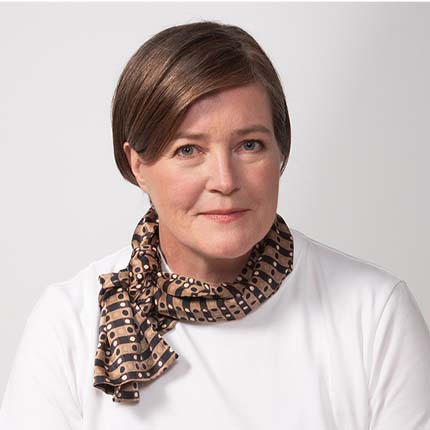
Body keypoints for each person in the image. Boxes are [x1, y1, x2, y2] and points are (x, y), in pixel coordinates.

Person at [0, 20, 429, 430]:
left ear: (280, 153)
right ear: (138, 165)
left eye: (250, 145)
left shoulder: (375, 313)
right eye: (189, 150)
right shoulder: (69, 322)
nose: (224, 181)